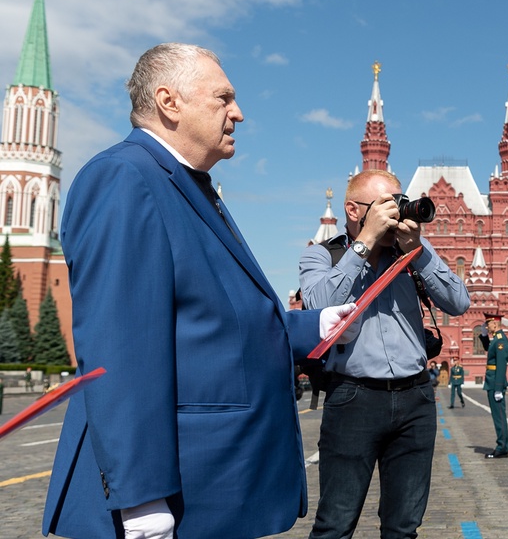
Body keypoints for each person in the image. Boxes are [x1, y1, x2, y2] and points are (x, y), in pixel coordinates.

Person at [41, 43, 356, 538]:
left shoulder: (187, 185)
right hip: (176, 491)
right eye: (223, 98)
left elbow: (213, 321)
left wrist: (311, 325)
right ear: (170, 103)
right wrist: (141, 498)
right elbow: (120, 346)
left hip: (214, 487)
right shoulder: (125, 177)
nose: (239, 113)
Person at [299, 169, 470, 539]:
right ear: (353, 210)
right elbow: (318, 306)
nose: (397, 212)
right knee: (335, 524)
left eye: (400, 201)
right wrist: (364, 245)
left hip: (416, 399)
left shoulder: (410, 254)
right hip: (354, 398)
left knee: (403, 527)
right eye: (386, 205)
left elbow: (458, 302)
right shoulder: (322, 256)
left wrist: (418, 254)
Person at [480, 313, 508, 458]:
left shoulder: (501, 341)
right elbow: (488, 349)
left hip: (495, 383)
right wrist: (484, 335)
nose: (487, 326)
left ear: (495, 324)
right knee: (497, 415)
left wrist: (498, 388)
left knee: (499, 416)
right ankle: (502, 445)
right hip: (491, 381)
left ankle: (502, 448)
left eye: (488, 324)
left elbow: (501, 366)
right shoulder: (495, 340)